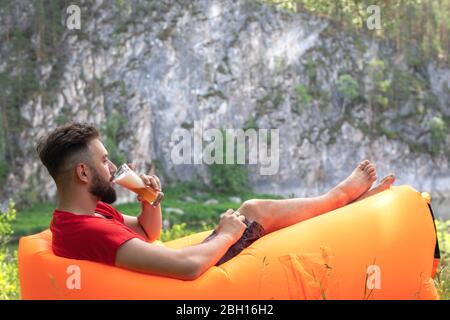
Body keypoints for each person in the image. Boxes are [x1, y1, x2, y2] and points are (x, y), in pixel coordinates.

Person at [37, 122, 395, 280]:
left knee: (252, 213)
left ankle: (342, 203)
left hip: (175, 269)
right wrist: (225, 233)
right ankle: (338, 198)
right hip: (187, 280)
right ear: (83, 174)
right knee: (253, 210)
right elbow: (187, 268)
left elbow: (147, 233)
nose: (113, 167)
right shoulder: (88, 231)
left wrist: (150, 201)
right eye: (104, 161)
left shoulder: (87, 213)